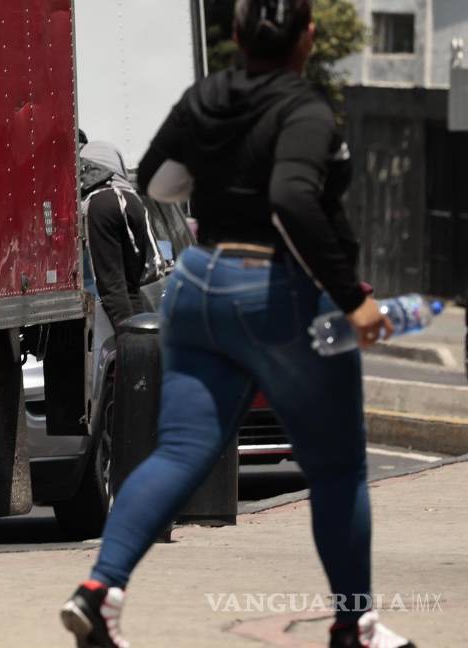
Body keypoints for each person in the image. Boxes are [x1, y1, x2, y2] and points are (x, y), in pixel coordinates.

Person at [59, 2, 416, 647]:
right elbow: (292, 199)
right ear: (307, 37)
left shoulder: (207, 97)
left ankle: (99, 591)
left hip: (198, 287)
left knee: (179, 452)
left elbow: (163, 181)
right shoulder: (306, 110)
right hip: (272, 289)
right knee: (337, 468)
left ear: (238, 36)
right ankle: (354, 624)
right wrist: (350, 297)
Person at [80, 140, 161, 328]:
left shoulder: (84, 154)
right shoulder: (109, 149)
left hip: (101, 203)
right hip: (133, 202)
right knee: (132, 289)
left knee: (113, 289)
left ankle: (128, 343)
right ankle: (142, 343)